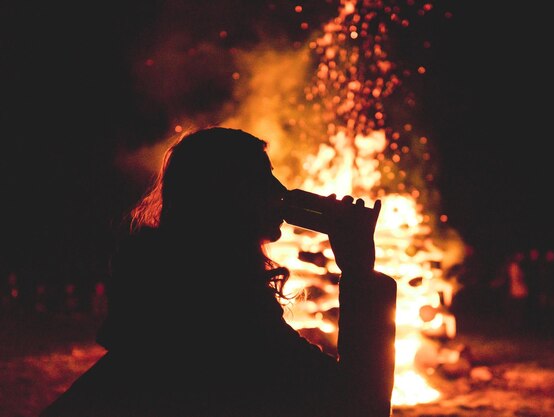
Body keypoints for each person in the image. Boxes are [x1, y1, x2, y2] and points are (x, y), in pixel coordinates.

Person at [39, 126, 397, 417]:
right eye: (262, 178)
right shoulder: (228, 308)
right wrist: (359, 272)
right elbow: (358, 407)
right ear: (229, 197)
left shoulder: (169, 287)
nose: (280, 191)